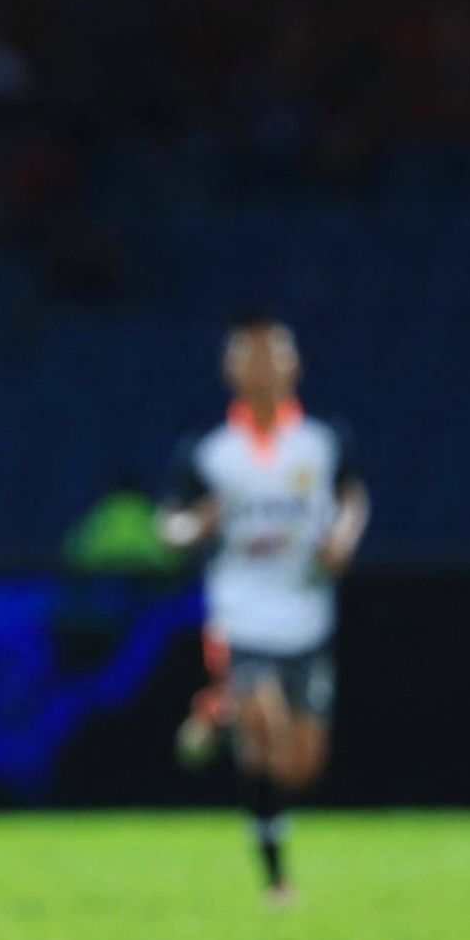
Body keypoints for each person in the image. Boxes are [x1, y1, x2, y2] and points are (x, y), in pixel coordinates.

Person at [157, 314, 370, 905]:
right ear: (229, 369)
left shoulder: (323, 442)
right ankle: (276, 881)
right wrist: (193, 526)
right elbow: (167, 525)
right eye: (247, 355)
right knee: (265, 730)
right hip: (241, 617)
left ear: (294, 364)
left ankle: (222, 715)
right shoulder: (209, 451)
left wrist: (344, 537)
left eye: (272, 353)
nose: (261, 365)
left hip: (306, 618)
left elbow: (354, 497)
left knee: (300, 767)